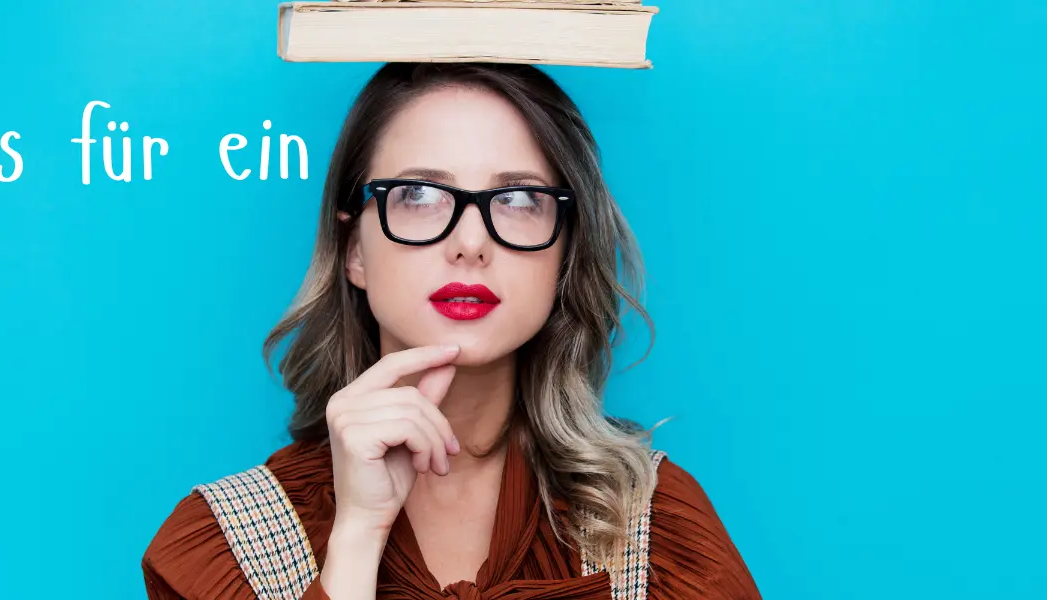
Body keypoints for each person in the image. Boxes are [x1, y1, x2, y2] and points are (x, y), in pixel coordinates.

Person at [142, 62, 760, 600]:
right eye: (418, 194)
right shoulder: (226, 546)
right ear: (354, 247)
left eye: (519, 201)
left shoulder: (657, 536)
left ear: (565, 253)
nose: (470, 243)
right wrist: (357, 537)